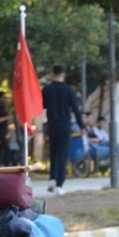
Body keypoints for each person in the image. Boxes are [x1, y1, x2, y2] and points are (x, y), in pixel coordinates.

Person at [42, 64, 84, 194]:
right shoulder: (69, 90)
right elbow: (76, 109)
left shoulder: (46, 89)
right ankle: (59, 184)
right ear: (63, 74)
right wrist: (81, 125)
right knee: (62, 154)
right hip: (65, 125)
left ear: (52, 73)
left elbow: (42, 105)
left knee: (53, 153)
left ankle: (52, 178)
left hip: (52, 125)